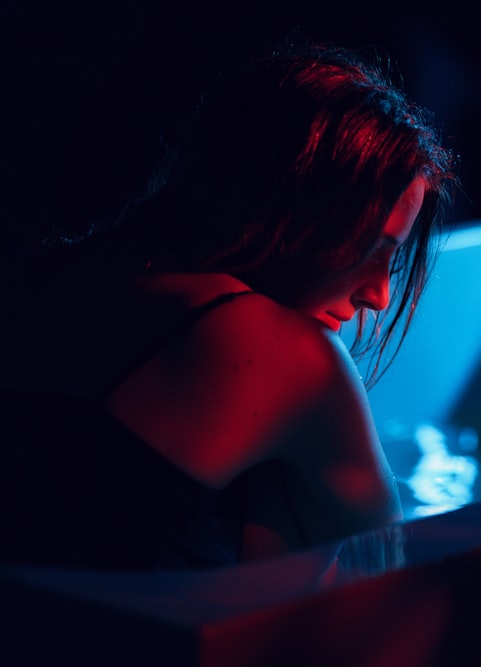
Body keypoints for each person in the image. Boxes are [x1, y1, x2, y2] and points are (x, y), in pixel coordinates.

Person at [0, 40, 456, 570]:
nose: (379, 294)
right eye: (373, 247)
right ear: (294, 206)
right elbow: (385, 574)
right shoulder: (283, 352)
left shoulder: (40, 280)